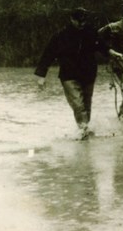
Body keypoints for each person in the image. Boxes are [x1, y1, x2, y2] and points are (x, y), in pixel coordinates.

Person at [34, 8, 100, 138]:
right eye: (79, 21)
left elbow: (102, 46)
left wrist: (114, 54)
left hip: (88, 74)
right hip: (69, 75)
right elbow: (48, 55)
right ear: (72, 19)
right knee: (77, 103)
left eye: (84, 21)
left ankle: (84, 129)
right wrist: (41, 75)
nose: (82, 24)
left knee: (87, 104)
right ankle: (83, 128)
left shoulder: (91, 33)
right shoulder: (60, 36)